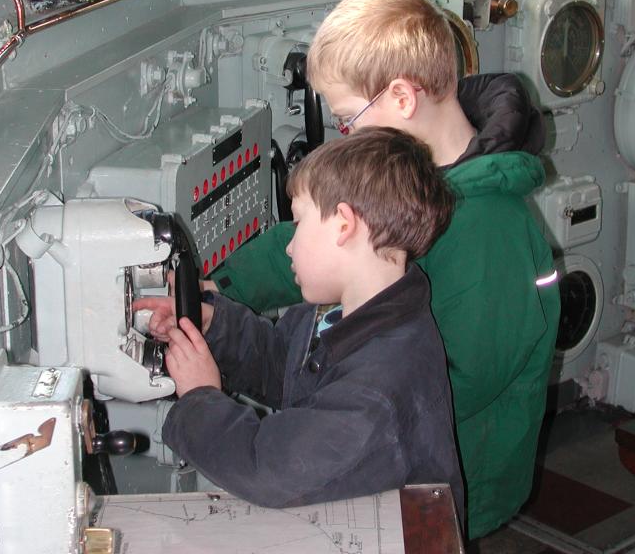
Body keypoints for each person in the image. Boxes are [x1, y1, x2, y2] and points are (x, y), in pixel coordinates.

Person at [205, 0, 561, 539]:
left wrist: (334, 411)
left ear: (401, 97)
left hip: (451, 478)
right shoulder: (402, 177)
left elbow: (465, 379)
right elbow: (307, 240)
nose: (345, 134)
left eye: (348, 118)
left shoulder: (489, 227)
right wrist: (218, 288)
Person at [135, 127, 465, 526]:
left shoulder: (377, 389)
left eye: (298, 223)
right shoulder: (345, 312)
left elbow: (267, 469)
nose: (289, 246)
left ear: (344, 225)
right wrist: (216, 325)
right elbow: (282, 365)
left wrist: (201, 396)